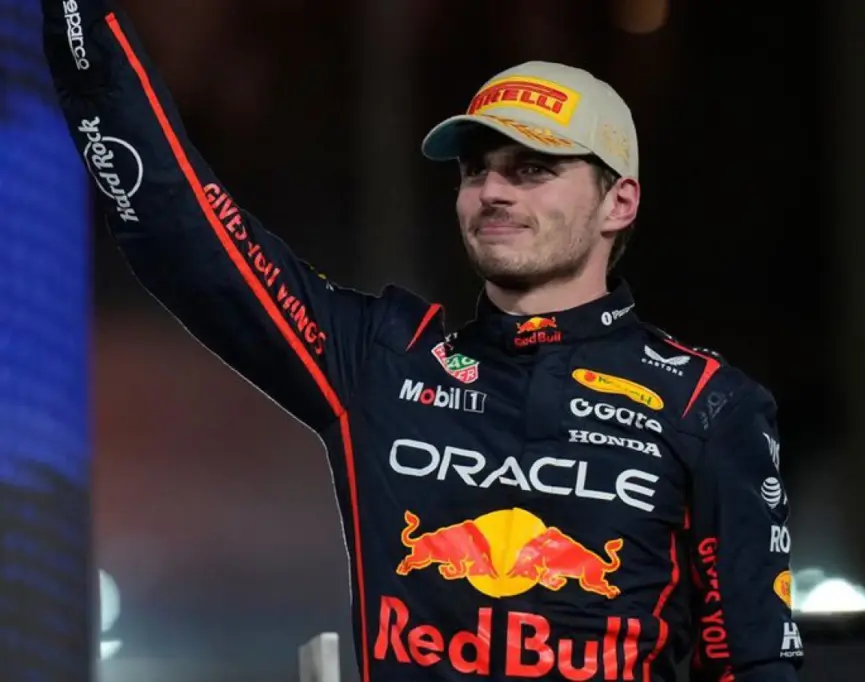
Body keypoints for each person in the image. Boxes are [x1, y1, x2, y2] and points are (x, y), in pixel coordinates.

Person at [42, 0, 803, 680]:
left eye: (532, 169)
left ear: (619, 202)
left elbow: (754, 661)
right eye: (476, 170)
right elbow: (186, 237)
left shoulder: (709, 406)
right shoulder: (384, 360)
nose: (492, 191)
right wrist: (80, 23)